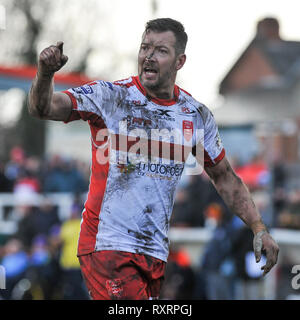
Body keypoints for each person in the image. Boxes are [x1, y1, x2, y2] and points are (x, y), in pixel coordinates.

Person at [27, 18, 279, 300]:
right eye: (144, 47)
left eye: (160, 50)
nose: (148, 56)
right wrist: (45, 73)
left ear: (179, 61)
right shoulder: (112, 96)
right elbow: (43, 107)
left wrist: (258, 227)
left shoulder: (195, 116)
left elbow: (224, 178)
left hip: (153, 252)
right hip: (107, 245)